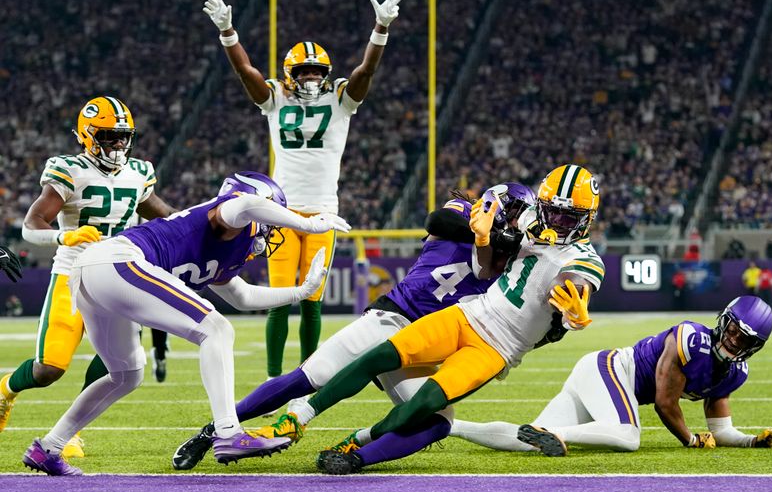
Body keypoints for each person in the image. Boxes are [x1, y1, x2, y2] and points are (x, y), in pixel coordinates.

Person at [170, 183, 536, 470]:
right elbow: (437, 221)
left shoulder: (517, 259)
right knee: (308, 377)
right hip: (394, 318)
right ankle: (212, 431)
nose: (518, 225)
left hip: (428, 345)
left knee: (437, 422)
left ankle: (355, 448)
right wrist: (484, 233)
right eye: (514, 216)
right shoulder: (465, 217)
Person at [274, 164, 603, 475]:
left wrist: (574, 317)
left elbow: (577, 285)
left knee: (426, 404)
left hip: (497, 349)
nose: (557, 221)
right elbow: (482, 265)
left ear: (586, 219)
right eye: (553, 211)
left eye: (567, 216)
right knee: (380, 354)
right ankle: (302, 413)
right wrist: (485, 239)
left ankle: (358, 444)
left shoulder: (585, 258)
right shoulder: (527, 217)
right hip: (467, 314)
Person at [21, 171, 350, 476]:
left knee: (126, 374)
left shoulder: (229, 248)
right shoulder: (229, 214)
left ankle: (49, 447)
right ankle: (228, 432)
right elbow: (247, 204)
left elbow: (243, 297)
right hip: (116, 262)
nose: (271, 232)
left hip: (92, 273)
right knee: (217, 329)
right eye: (271, 220)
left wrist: (302, 291)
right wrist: (307, 225)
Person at [202, 0, 403, 382]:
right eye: (304, 71)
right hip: (281, 212)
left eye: (316, 71)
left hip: (324, 212)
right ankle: (274, 377)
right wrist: (228, 32)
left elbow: (366, 71)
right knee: (279, 299)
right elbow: (247, 73)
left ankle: (308, 374)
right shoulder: (276, 98)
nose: (311, 77)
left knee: (313, 300)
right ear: (291, 75)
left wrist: (380, 29)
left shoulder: (341, 99)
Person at [0, 97, 175, 460]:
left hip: (121, 277)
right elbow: (32, 225)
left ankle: (72, 431)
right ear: (87, 135)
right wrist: (65, 236)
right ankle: (4, 391)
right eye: (109, 137)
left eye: (123, 137)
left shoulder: (139, 173)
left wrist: (213, 223)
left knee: (118, 364)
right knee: (49, 369)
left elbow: (168, 216)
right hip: (73, 274)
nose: (117, 145)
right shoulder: (68, 169)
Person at [449, 296, 772, 455]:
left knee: (529, 444)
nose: (733, 340)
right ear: (722, 320)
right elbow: (665, 404)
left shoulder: (735, 373)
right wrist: (690, 440)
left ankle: (448, 425)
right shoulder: (691, 338)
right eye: (733, 330)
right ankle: (556, 434)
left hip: (602, 382)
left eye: (745, 339)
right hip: (610, 370)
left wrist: (752, 441)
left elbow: (721, 431)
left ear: (755, 347)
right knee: (627, 436)